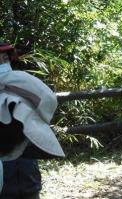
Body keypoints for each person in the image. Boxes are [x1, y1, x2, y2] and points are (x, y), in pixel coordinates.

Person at [0, 41, 65, 198]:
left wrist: (35, 123)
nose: (3, 62)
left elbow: (48, 99)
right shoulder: (18, 81)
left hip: (25, 153)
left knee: (29, 190)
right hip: (13, 156)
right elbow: (48, 100)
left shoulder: (19, 81)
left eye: (4, 58)